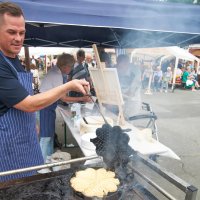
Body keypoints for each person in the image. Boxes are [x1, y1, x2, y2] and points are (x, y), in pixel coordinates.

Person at [0, 2, 89, 182]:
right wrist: (68, 86)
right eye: (11, 32)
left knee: (31, 183)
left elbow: (21, 98)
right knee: (15, 189)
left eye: (22, 32)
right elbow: (28, 104)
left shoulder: (14, 60)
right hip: (9, 145)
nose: (18, 38)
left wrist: (32, 123)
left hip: (24, 136)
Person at [39, 53, 90, 163]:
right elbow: (64, 98)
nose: (71, 69)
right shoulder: (56, 75)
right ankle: (43, 164)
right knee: (46, 137)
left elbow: (63, 89)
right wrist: (82, 98)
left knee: (49, 135)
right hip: (45, 107)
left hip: (48, 106)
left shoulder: (57, 71)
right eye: (71, 67)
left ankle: (48, 159)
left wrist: (77, 89)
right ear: (65, 66)